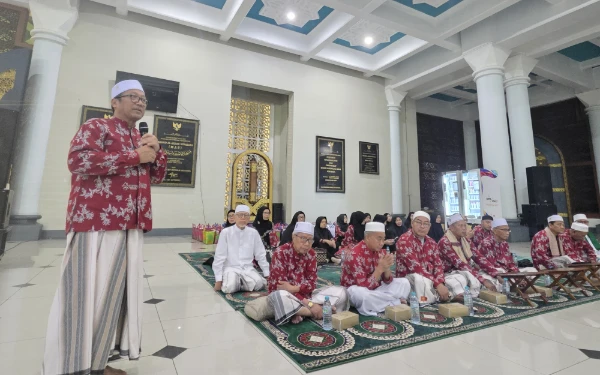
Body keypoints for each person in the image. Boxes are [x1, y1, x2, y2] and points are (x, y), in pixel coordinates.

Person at [43, 80, 168, 375]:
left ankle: (96, 363)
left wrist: (156, 150)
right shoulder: (97, 127)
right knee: (83, 296)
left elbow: (158, 176)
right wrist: (133, 157)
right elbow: (78, 161)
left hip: (129, 226)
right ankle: (70, 366)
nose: (140, 102)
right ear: (114, 101)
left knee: (111, 298)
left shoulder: (138, 138)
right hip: (94, 224)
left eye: (143, 98)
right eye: (133, 97)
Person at [268, 222, 348, 324]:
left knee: (342, 292)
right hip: (287, 296)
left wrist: (298, 291)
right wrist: (311, 305)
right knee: (279, 296)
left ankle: (299, 312)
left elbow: (312, 283)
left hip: (308, 296)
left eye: (310, 240)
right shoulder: (280, 253)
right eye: (303, 238)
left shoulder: (311, 254)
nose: (306, 244)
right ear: (294, 237)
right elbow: (281, 287)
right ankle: (318, 311)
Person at [340, 222, 411, 316]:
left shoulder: (380, 252)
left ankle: (384, 302)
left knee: (404, 283)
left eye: (383, 239)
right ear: (368, 237)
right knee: (360, 294)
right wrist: (380, 268)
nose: (382, 243)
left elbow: (387, 280)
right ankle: (393, 302)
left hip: (376, 289)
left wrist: (386, 268)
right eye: (379, 239)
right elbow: (363, 285)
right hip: (357, 290)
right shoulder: (355, 254)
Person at [396, 211, 452, 304]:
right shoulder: (404, 240)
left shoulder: (431, 242)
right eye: (418, 222)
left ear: (429, 226)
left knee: (454, 277)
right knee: (419, 279)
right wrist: (437, 284)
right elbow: (416, 268)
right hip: (409, 279)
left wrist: (440, 282)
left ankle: (438, 296)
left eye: (426, 224)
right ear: (412, 223)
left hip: (430, 279)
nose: (422, 226)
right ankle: (434, 298)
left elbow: (438, 265)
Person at [213, 205, 270, 294]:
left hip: (247, 268)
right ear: (235, 217)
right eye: (240, 215)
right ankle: (241, 282)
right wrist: (218, 280)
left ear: (248, 218)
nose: (243, 218)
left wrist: (267, 274)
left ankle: (240, 283)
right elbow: (219, 256)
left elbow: (260, 254)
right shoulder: (226, 233)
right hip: (231, 268)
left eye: (246, 215)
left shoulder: (253, 233)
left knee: (259, 284)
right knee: (229, 288)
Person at [437, 213, 494, 298]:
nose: (464, 228)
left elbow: (478, 257)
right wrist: (483, 280)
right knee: (464, 279)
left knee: (489, 274)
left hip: (466, 270)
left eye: (465, 225)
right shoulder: (445, 242)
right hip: (449, 274)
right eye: (460, 226)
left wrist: (494, 272)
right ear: (451, 228)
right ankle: (454, 296)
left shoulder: (465, 240)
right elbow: (460, 264)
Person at [473, 218, 537, 289]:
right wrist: (512, 276)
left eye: (508, 230)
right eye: (504, 230)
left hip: (506, 273)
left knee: (532, 271)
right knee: (498, 276)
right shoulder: (486, 243)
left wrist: (518, 276)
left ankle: (516, 284)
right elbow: (491, 266)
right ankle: (514, 285)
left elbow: (510, 263)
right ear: (494, 231)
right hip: (492, 272)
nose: (507, 232)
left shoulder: (504, 244)